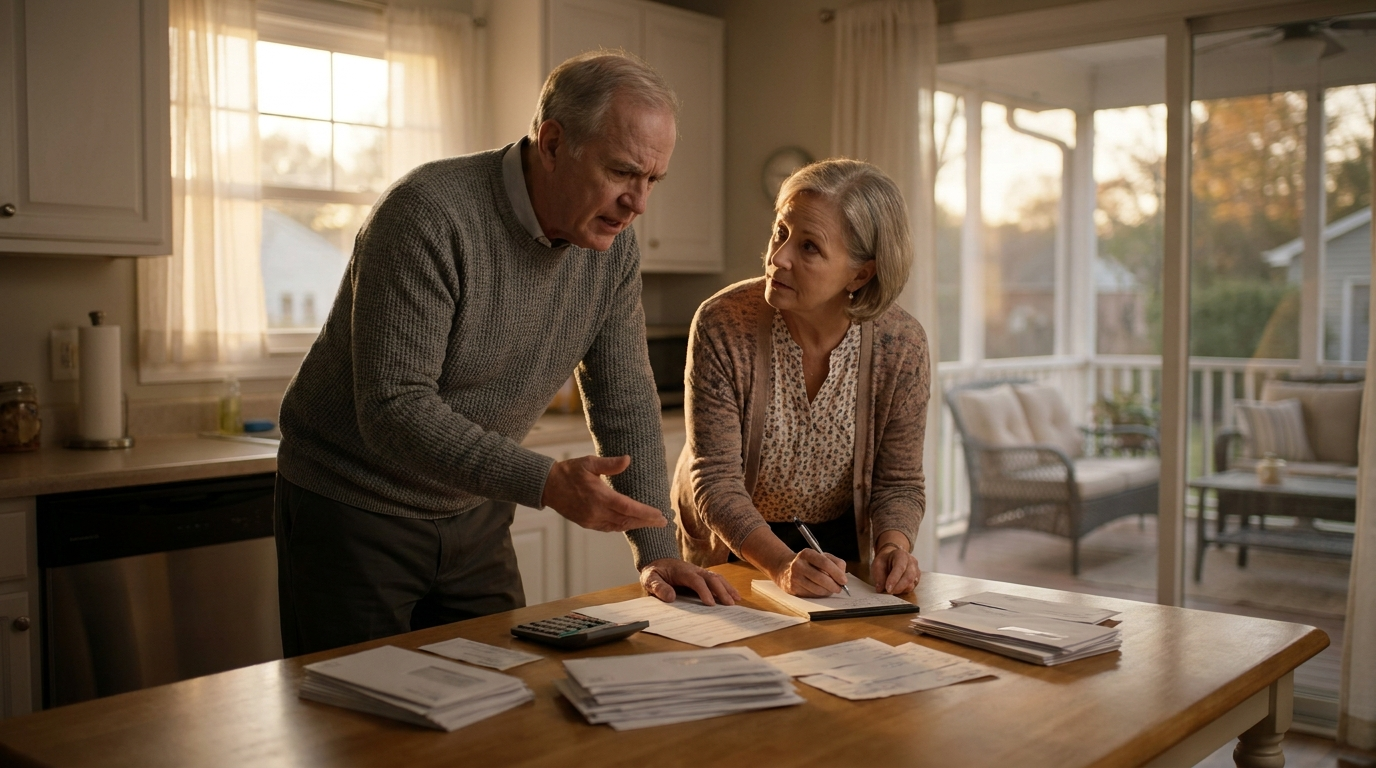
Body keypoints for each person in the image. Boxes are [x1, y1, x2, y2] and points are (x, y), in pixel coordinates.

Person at [274, 51, 737, 658]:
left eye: (653, 180)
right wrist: (544, 481)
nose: (639, 204)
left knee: (506, 695)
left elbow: (625, 401)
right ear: (551, 143)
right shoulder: (427, 215)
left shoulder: (610, 250)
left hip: (476, 514)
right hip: (353, 511)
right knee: (360, 727)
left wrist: (660, 555)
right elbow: (393, 408)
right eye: (623, 172)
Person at [673, 159, 929, 597]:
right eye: (780, 231)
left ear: (861, 273)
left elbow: (898, 483)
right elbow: (716, 480)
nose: (778, 257)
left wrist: (894, 544)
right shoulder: (723, 322)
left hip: (839, 545)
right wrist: (779, 564)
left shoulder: (902, 345)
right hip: (736, 540)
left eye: (809, 247)